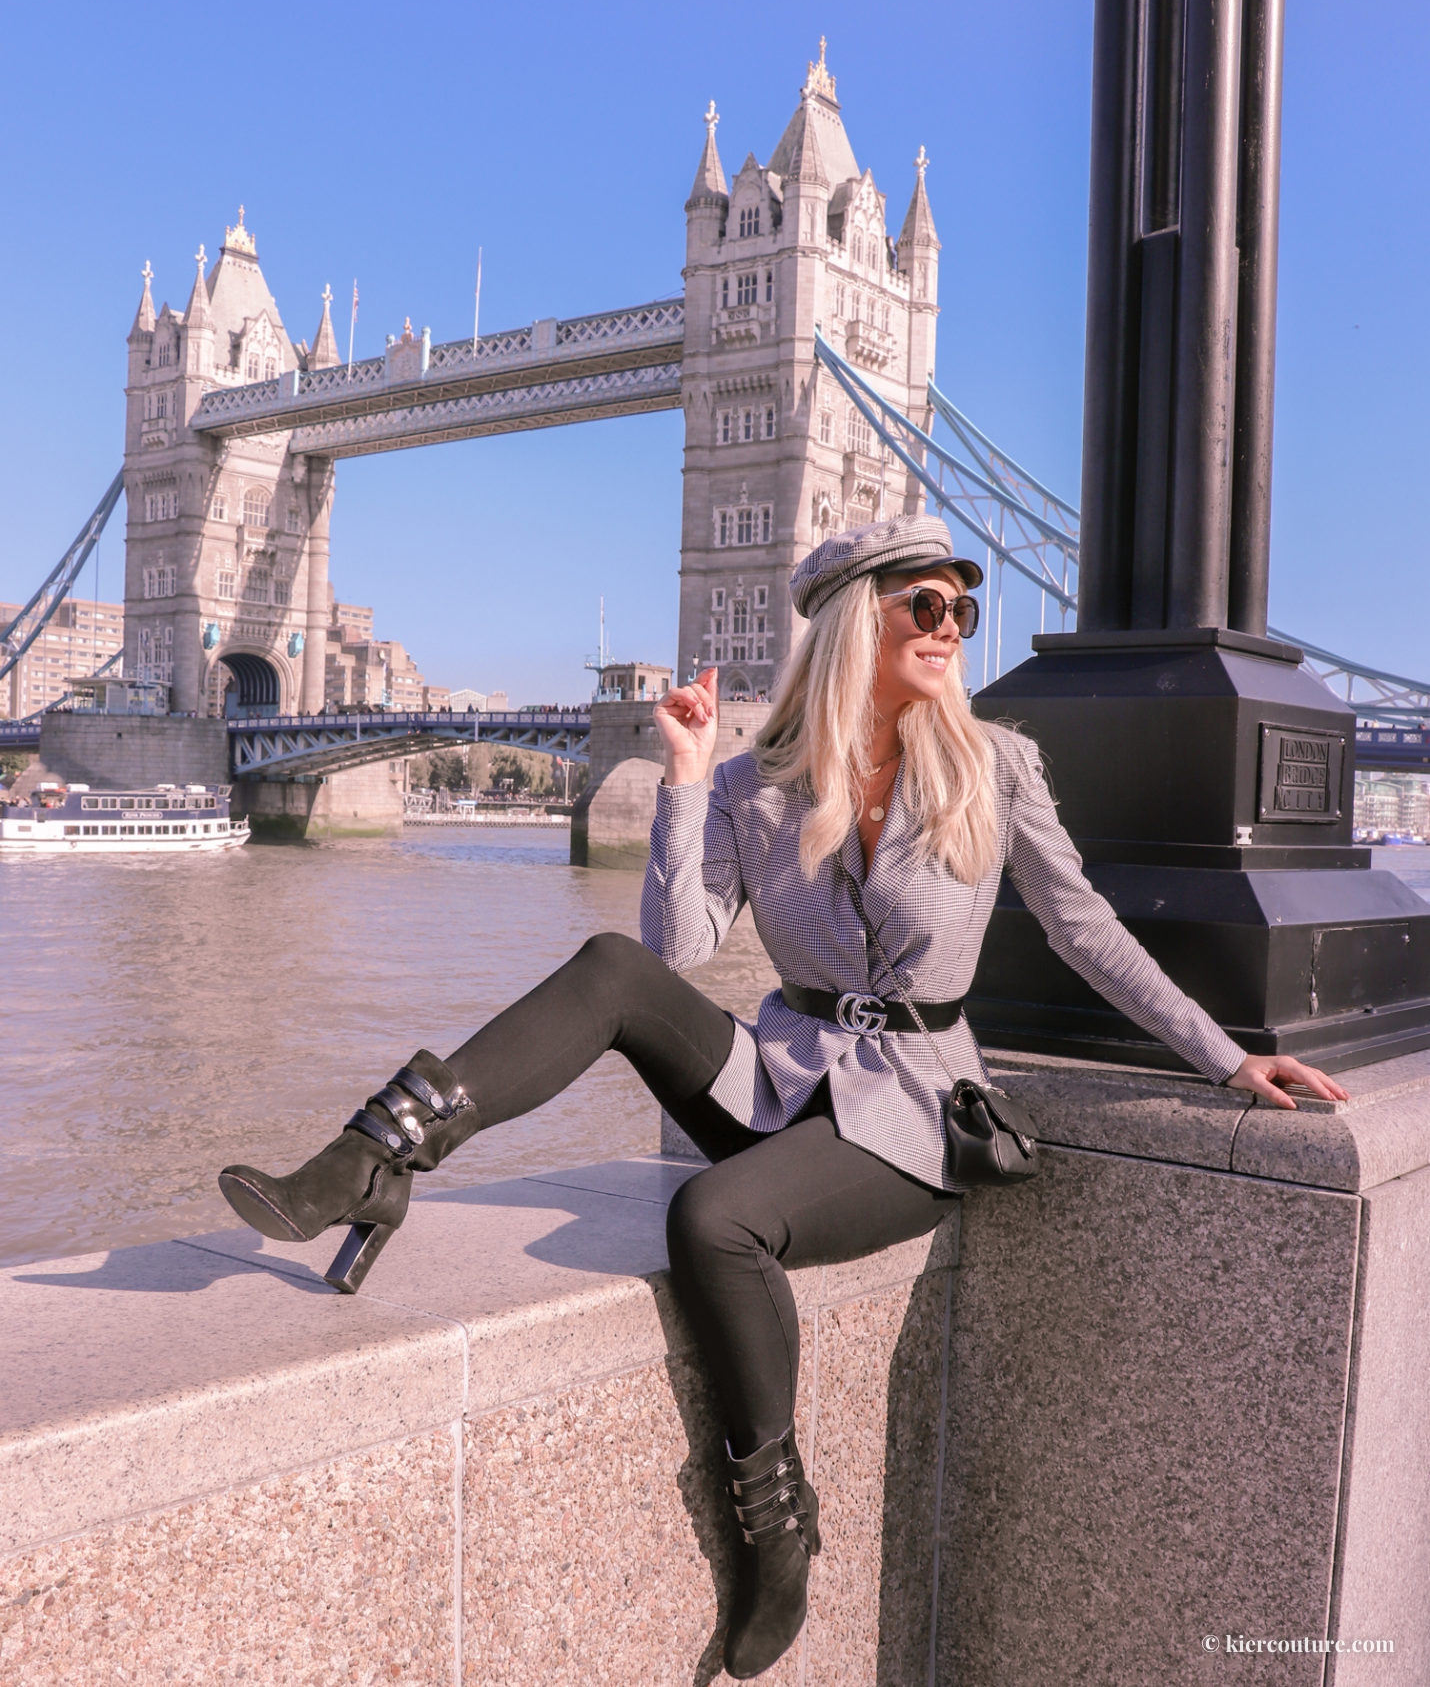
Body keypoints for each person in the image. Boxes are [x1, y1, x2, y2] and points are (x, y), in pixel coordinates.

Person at [218, 513, 1345, 1680]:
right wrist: (688, 777)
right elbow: (676, 945)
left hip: (913, 1110)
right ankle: (370, 1159)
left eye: (960, 607)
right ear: (861, 618)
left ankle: (775, 1526)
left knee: (715, 1219)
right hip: (778, 1076)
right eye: (926, 605)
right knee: (613, 974)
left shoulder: (995, 763)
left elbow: (1083, 929)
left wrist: (1221, 1057)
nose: (950, 627)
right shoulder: (761, 781)